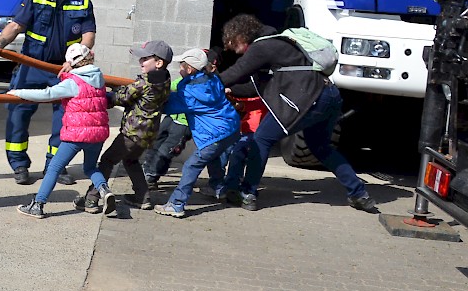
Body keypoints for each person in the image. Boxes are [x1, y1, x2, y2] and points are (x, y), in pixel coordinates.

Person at [219, 13, 379, 213]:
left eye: (234, 45)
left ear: (241, 36)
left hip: (307, 97)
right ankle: (358, 193)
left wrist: (207, 83)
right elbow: (255, 87)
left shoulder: (262, 46)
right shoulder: (282, 45)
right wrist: (230, 90)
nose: (236, 52)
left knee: (262, 139)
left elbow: (236, 72)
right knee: (321, 147)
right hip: (329, 95)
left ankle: (248, 193)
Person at [0, 0, 97, 186]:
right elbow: (16, 25)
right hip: (31, 66)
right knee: (18, 114)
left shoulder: (83, 2)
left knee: (66, 121)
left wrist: (78, 58)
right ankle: (19, 164)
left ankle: (55, 166)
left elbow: (88, 35)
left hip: (64, 70)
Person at [10, 43, 110, 219]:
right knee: (90, 167)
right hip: (98, 134)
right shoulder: (99, 78)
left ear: (72, 62)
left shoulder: (72, 83)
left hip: (77, 134)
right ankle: (105, 190)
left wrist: (18, 93)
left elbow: (47, 94)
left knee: (54, 168)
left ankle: (38, 205)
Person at [77, 39, 173, 216]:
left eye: (145, 59)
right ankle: (143, 197)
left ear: (158, 63)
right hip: (148, 134)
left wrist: (103, 94)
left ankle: (92, 198)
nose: (140, 62)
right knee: (130, 160)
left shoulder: (144, 82)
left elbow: (120, 98)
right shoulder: (165, 80)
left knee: (107, 160)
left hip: (132, 133)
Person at [154, 48, 241, 218]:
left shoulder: (189, 92)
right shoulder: (212, 78)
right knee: (213, 156)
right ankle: (217, 187)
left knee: (191, 165)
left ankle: (177, 204)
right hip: (231, 128)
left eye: (181, 66)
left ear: (189, 69)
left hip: (214, 133)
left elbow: (169, 106)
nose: (179, 69)